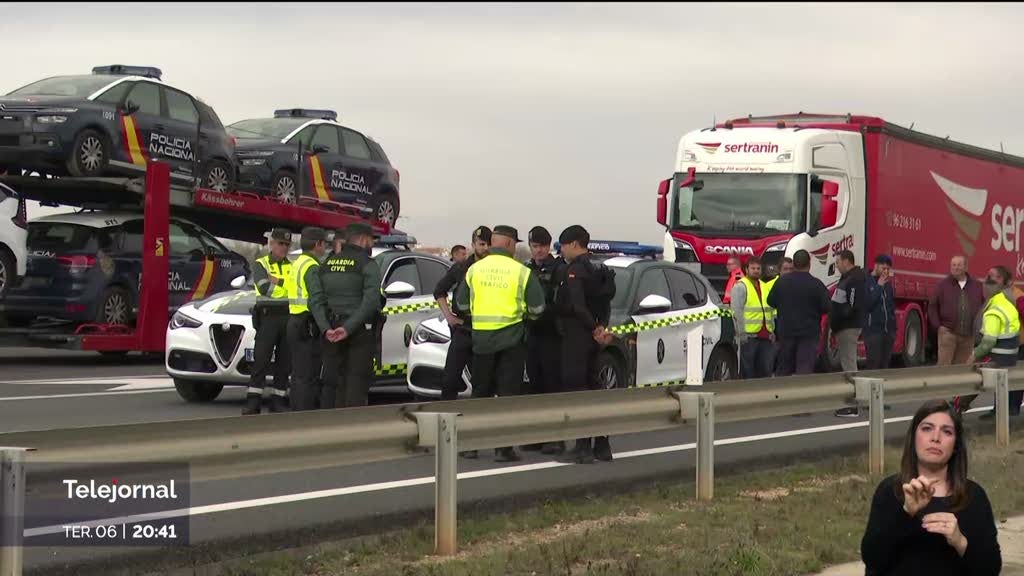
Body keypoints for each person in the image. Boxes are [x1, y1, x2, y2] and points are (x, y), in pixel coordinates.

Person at [861, 399, 1001, 575]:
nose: (935, 438)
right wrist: (905, 514)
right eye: (927, 428)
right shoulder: (890, 491)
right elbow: (873, 558)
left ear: (956, 445)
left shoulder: (973, 496)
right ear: (914, 438)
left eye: (947, 431)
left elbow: (991, 569)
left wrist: (960, 542)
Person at [455, 225, 545, 462]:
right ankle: (502, 448)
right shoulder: (521, 272)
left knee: (480, 393)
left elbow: (461, 304)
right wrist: (527, 317)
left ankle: (471, 445)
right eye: (514, 243)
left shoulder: (474, 269)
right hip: (511, 340)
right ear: (507, 244)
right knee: (507, 395)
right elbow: (538, 308)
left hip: (481, 340)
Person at [555, 225, 617, 464]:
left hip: (578, 335)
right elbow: (606, 301)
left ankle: (582, 447)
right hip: (595, 337)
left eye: (563, 245)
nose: (562, 250)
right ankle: (602, 445)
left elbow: (578, 305)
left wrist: (593, 327)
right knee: (595, 388)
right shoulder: (599, 267)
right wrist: (602, 327)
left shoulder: (575, 270)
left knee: (578, 388)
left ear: (573, 244)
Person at [312, 222, 384, 409]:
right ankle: (354, 431)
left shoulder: (327, 263)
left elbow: (316, 300)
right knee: (356, 384)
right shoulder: (368, 264)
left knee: (334, 384)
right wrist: (348, 328)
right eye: (371, 240)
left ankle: (334, 430)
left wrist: (326, 328)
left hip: (331, 332)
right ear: (363, 239)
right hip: (359, 333)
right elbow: (371, 302)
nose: (371, 244)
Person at [433, 227, 490, 401]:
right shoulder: (461, 268)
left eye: (488, 244)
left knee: (482, 383)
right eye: (481, 244)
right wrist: (449, 317)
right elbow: (439, 291)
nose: (485, 248)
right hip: (464, 329)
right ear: (473, 245)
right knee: (450, 379)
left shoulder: (494, 268)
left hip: (486, 331)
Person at [523, 226, 564, 454]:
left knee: (552, 387)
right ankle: (537, 435)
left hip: (552, 334)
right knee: (534, 386)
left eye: (542, 246)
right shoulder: (526, 268)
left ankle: (555, 437)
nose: (538, 251)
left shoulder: (558, 269)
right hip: (532, 334)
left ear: (549, 246)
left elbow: (560, 303)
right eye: (535, 246)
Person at [243, 228, 293, 415]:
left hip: (288, 316)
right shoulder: (260, 264)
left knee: (284, 362)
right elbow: (264, 288)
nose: (284, 248)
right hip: (268, 317)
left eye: (287, 245)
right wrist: (284, 285)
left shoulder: (293, 266)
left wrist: (278, 282)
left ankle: (278, 400)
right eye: (281, 244)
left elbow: (295, 290)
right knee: (261, 360)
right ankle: (253, 401)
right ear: (272, 244)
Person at [959, 267, 1021, 417]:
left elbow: (990, 338)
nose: (989, 280)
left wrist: (975, 353)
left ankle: (959, 406)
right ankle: (997, 411)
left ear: (1006, 282)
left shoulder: (1008, 299)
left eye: (996, 277)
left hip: (1001, 348)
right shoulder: (995, 297)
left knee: (982, 378)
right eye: (988, 276)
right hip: (998, 348)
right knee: (991, 380)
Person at [766, 250, 830, 376]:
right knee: (804, 369)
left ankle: (782, 394)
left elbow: (771, 301)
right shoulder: (816, 284)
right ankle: (802, 393)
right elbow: (827, 307)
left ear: (794, 264)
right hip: (809, 334)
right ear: (809, 264)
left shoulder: (781, 282)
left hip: (786, 332)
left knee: (784, 368)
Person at [286, 227, 328, 411]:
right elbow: (316, 300)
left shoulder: (297, 262)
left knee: (298, 374)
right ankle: (304, 417)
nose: (325, 247)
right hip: (307, 325)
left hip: (294, 321)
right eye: (324, 243)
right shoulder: (312, 267)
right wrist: (326, 327)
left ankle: (296, 412)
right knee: (308, 375)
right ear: (317, 244)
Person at [929, 256, 984, 366]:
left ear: (966, 267)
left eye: (959, 265)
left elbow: (983, 306)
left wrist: (978, 326)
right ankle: (943, 383)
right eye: (953, 265)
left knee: (962, 368)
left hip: (968, 336)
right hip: (948, 333)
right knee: (944, 367)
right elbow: (932, 306)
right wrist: (938, 327)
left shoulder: (977, 286)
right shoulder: (942, 285)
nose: (956, 268)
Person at [730, 257, 775, 379]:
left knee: (765, 371)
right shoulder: (740, 287)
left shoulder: (765, 286)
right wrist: (741, 333)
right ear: (747, 269)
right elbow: (736, 312)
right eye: (753, 268)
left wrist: (772, 331)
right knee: (748, 371)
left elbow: (770, 310)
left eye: (758, 268)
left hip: (766, 336)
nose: (756, 271)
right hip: (749, 337)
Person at [864, 254, 896, 371]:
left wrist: (893, 329)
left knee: (885, 364)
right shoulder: (866, 281)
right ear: (876, 266)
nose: (886, 272)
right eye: (883, 268)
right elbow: (868, 304)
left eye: (888, 269)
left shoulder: (888, 285)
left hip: (888, 331)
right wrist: (878, 287)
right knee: (873, 363)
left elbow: (891, 306)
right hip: (873, 331)